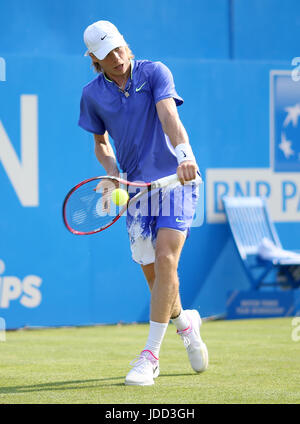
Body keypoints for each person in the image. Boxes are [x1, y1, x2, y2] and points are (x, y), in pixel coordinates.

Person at [78, 20, 208, 386]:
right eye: (107, 55)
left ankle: (149, 356)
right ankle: (185, 323)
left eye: (119, 48)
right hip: (136, 190)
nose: (117, 58)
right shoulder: (91, 95)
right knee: (156, 277)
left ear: (125, 44)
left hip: (176, 179)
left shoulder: (154, 73)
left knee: (167, 258)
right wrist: (111, 171)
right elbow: (101, 143)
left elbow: (169, 116)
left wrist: (184, 154)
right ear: (94, 59)